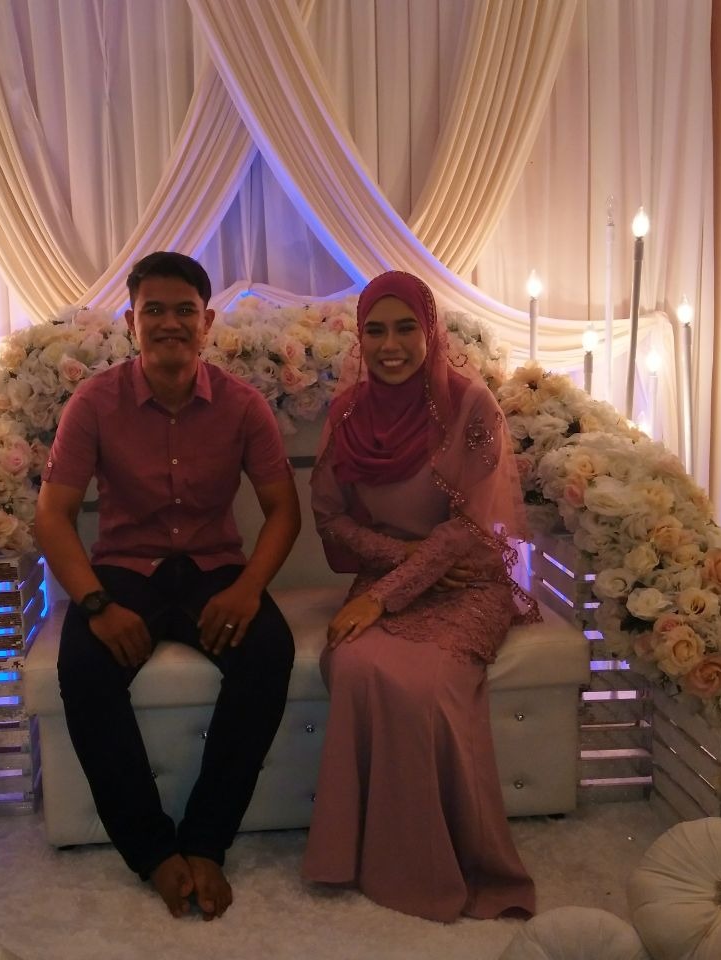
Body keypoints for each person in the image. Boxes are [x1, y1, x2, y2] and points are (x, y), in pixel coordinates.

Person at [33, 251, 301, 921]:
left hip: (214, 569)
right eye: (154, 309)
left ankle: (207, 842)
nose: (170, 323)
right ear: (132, 321)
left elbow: (283, 511)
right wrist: (96, 604)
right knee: (84, 667)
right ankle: (152, 851)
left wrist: (248, 589)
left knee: (269, 652)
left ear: (207, 323)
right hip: (126, 570)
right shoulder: (94, 403)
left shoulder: (243, 406)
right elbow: (52, 517)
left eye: (185, 310)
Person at [300, 270, 538, 922]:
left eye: (406, 327)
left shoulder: (470, 406)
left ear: (430, 331)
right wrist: (398, 566)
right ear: (360, 337)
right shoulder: (348, 414)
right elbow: (330, 519)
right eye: (375, 330)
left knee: (428, 684)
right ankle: (364, 856)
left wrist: (385, 596)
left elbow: (470, 528)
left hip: (472, 580)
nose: (390, 345)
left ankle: (454, 864)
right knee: (353, 663)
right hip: (388, 575)